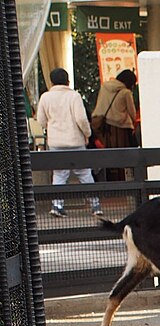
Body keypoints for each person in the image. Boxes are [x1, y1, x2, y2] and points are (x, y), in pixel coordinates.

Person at [35, 68, 101, 217]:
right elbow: (81, 119)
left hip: (55, 142)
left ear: (51, 81)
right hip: (75, 140)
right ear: (68, 81)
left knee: (59, 174)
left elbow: (41, 120)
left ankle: (57, 206)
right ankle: (95, 206)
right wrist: (87, 134)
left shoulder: (45, 97)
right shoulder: (74, 96)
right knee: (84, 173)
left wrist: (51, 127)